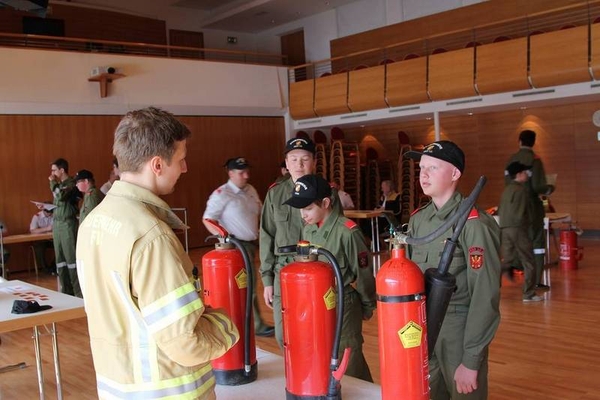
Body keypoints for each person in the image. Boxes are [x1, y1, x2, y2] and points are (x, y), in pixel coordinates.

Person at [76, 107, 239, 400]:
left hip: (119, 387)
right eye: (180, 159)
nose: (185, 168)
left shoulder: (93, 222)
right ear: (157, 165)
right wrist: (227, 325)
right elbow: (186, 342)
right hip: (168, 390)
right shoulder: (152, 235)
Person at [405, 140, 501, 399]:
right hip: (423, 328)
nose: (423, 175)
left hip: (458, 330)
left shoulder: (474, 224)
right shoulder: (418, 220)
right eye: (421, 168)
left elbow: (485, 295)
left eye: (432, 168)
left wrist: (471, 360)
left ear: (455, 174)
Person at [284, 174, 376, 382]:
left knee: (348, 359)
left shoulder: (347, 232)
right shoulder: (309, 229)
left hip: (343, 303)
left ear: (325, 203)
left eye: (307, 208)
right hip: (317, 305)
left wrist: (368, 306)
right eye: (301, 209)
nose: (302, 214)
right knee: (323, 355)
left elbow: (363, 274)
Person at [202, 157, 275, 337]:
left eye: (247, 171)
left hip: (251, 245)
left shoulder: (250, 189)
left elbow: (260, 210)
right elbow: (208, 219)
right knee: (247, 286)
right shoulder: (222, 194)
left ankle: (248, 323)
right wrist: (225, 238)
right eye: (241, 172)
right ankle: (255, 325)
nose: (246, 175)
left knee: (249, 285)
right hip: (236, 247)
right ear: (231, 173)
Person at [260, 137, 316, 347]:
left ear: (314, 162)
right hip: (283, 269)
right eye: (293, 159)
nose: (299, 165)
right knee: (284, 334)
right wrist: (267, 279)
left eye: (304, 159)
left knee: (315, 329)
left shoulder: (326, 193)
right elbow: (267, 235)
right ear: (286, 163)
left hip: (316, 268)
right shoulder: (275, 194)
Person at [505, 129, 554, 290]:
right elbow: (537, 186)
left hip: (513, 207)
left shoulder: (512, 159)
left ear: (519, 141)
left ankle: (513, 264)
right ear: (533, 142)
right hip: (532, 207)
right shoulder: (535, 160)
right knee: (537, 244)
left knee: (520, 242)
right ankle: (536, 280)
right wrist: (549, 188)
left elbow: (508, 183)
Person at [498, 161, 543, 303]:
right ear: (519, 174)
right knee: (529, 261)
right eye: (525, 172)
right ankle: (528, 294)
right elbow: (526, 212)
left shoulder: (507, 190)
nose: (527, 175)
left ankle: (490, 287)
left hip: (504, 228)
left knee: (507, 260)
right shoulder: (522, 190)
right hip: (518, 229)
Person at [49, 158, 81, 297]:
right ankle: (65, 292)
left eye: (54, 170)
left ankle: (78, 293)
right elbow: (59, 202)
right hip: (57, 224)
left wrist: (52, 182)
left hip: (68, 224)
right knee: (60, 260)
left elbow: (61, 196)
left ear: (62, 170)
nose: (52, 173)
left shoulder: (71, 184)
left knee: (71, 259)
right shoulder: (58, 184)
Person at [29, 203, 55, 274]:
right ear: (43, 210)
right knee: (40, 248)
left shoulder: (54, 216)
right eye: (47, 211)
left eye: (51, 212)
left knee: (60, 246)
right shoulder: (37, 216)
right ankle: (45, 269)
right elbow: (33, 230)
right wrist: (46, 229)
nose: (49, 214)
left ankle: (53, 267)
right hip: (40, 240)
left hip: (51, 239)